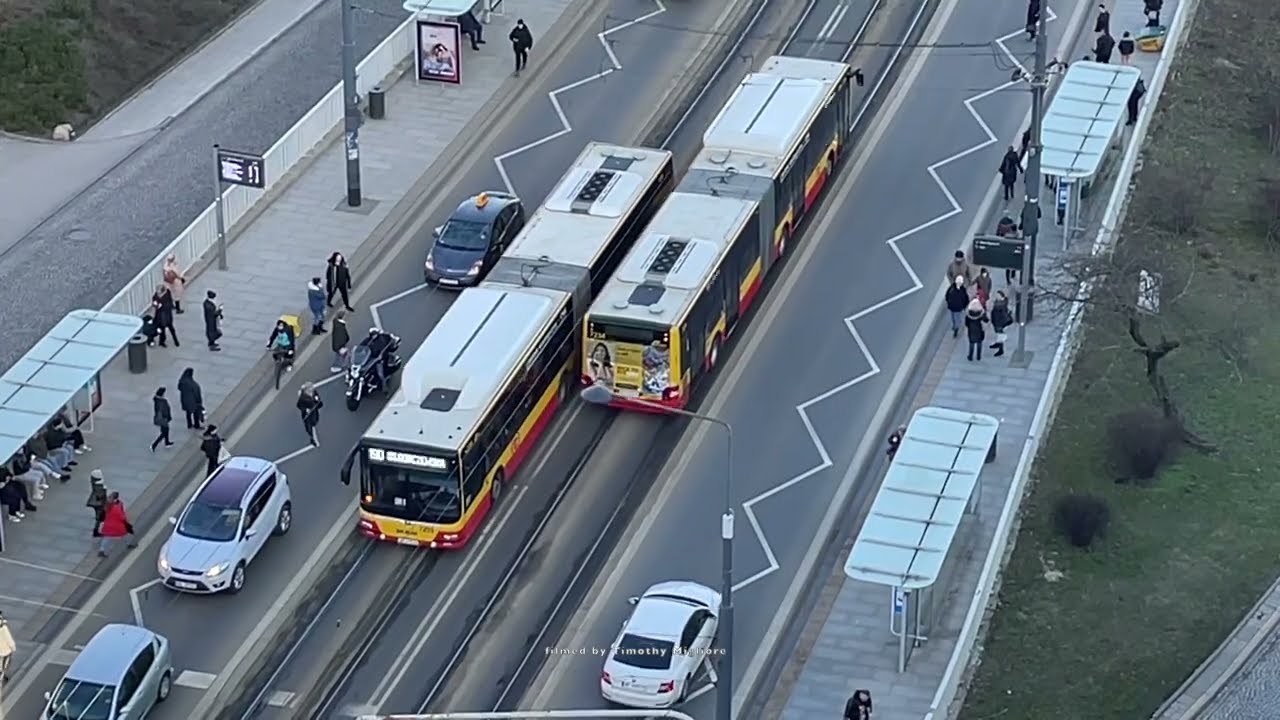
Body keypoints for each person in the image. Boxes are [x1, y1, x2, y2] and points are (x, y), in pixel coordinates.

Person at [97, 492, 137, 558]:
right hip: (117, 526)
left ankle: (101, 550)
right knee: (125, 534)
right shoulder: (117, 507)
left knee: (107, 537)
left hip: (108, 525)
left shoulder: (107, 506)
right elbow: (121, 517)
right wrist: (126, 522)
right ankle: (129, 544)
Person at [989, 290, 1014, 357]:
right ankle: (998, 344)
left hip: (999, 322)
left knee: (1000, 334)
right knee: (999, 333)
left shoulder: (1000, 305)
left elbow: (1003, 315)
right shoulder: (1000, 303)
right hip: (997, 321)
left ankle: (1001, 349)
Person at [150, 387, 173, 452]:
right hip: (163, 419)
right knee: (164, 432)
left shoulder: (157, 400)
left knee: (166, 430)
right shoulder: (162, 401)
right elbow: (164, 410)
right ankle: (154, 445)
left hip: (161, 418)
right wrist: (168, 417)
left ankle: (167, 442)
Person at [87, 469, 108, 537]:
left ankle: (98, 528)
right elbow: (99, 495)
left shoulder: (94, 483)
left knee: (100, 516)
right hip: (99, 503)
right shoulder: (99, 486)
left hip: (95, 502)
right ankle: (96, 531)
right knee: (99, 517)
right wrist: (104, 490)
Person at [0, 611, 16, 682]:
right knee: (4, 665)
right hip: (5, 650)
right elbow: (9, 639)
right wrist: (13, 648)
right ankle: (1, 676)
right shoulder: (4, 628)